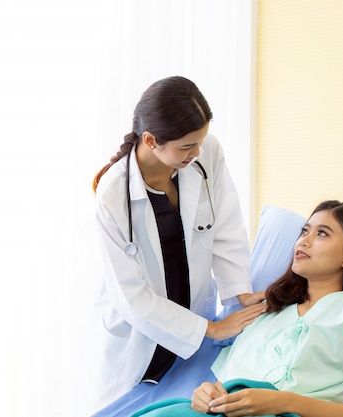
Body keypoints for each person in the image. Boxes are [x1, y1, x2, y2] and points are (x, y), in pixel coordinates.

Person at [131, 200, 343, 417]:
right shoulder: (269, 311)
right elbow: (225, 384)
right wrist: (205, 393)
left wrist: (282, 401)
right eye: (304, 231)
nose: (303, 241)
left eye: (322, 233)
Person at [88, 76, 266, 412]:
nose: (197, 153)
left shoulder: (205, 153)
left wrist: (240, 290)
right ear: (151, 140)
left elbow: (225, 222)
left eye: (200, 142)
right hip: (139, 340)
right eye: (186, 147)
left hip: (192, 320)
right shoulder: (113, 196)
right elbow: (131, 298)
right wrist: (211, 328)